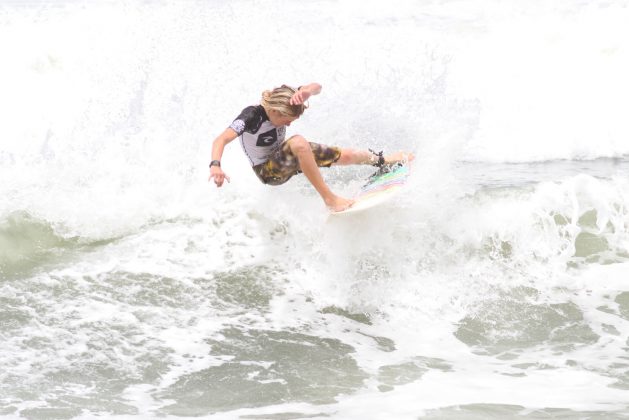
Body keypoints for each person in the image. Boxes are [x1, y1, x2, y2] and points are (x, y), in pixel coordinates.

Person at [209, 83, 412, 212]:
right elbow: (220, 140)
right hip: (268, 171)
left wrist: (306, 91)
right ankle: (330, 199)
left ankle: (383, 162)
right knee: (298, 142)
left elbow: (318, 87)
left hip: (288, 155)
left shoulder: (289, 97)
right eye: (287, 120)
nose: (288, 125)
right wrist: (215, 165)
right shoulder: (251, 116)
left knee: (347, 155)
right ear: (274, 111)